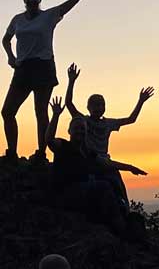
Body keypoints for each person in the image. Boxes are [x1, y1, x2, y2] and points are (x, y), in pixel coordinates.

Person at [1, 0, 103, 163]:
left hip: (43, 67)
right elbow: (6, 39)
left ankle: (41, 152)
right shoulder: (17, 20)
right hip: (22, 69)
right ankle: (12, 152)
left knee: (41, 112)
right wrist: (10, 56)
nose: (32, 0)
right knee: (7, 112)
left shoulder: (49, 16)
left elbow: (72, 1)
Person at [46, 96, 140, 236]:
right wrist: (55, 116)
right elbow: (49, 140)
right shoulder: (63, 145)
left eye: (82, 129)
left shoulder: (87, 152)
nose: (80, 131)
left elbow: (107, 163)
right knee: (103, 186)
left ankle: (123, 217)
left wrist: (130, 167)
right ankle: (121, 228)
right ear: (69, 131)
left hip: (80, 193)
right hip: (64, 194)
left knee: (111, 182)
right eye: (77, 129)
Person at [63, 62, 153, 207]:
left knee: (118, 184)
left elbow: (131, 119)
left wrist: (141, 101)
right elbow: (69, 103)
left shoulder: (108, 123)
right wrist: (71, 81)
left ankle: (125, 208)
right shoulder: (84, 121)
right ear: (88, 107)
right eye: (95, 105)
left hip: (106, 162)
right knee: (107, 182)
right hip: (89, 159)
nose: (99, 107)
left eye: (101, 104)